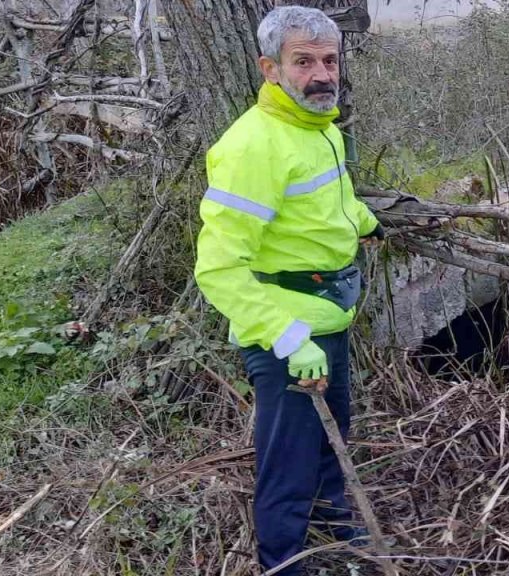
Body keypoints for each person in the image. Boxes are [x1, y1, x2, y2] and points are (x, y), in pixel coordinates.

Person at [192, 6, 385, 574]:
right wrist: (287, 338)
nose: (322, 74)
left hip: (330, 317)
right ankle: (283, 560)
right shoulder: (254, 147)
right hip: (287, 331)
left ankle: (331, 519)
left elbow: (333, 199)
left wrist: (366, 225)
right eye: (303, 62)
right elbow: (219, 268)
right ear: (270, 69)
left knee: (333, 434)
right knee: (289, 457)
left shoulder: (317, 128)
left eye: (329, 60)